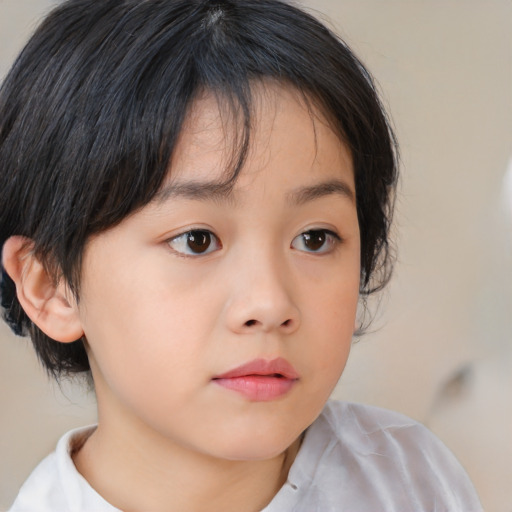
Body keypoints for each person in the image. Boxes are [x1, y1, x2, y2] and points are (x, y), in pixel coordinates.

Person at [0, 0, 482, 510]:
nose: (270, 303)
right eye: (197, 240)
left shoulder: (411, 476)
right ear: (50, 285)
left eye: (315, 238)